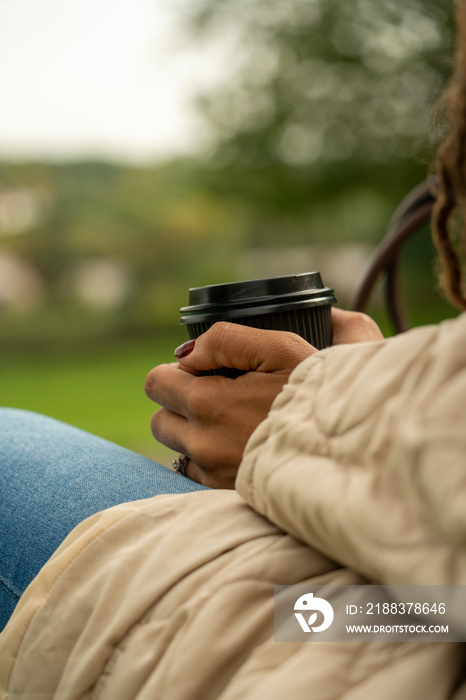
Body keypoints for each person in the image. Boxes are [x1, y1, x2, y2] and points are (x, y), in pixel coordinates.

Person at [1, 1, 466, 697]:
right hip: (436, 612)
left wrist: (313, 418)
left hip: (397, 628)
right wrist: (365, 387)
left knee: (8, 446)